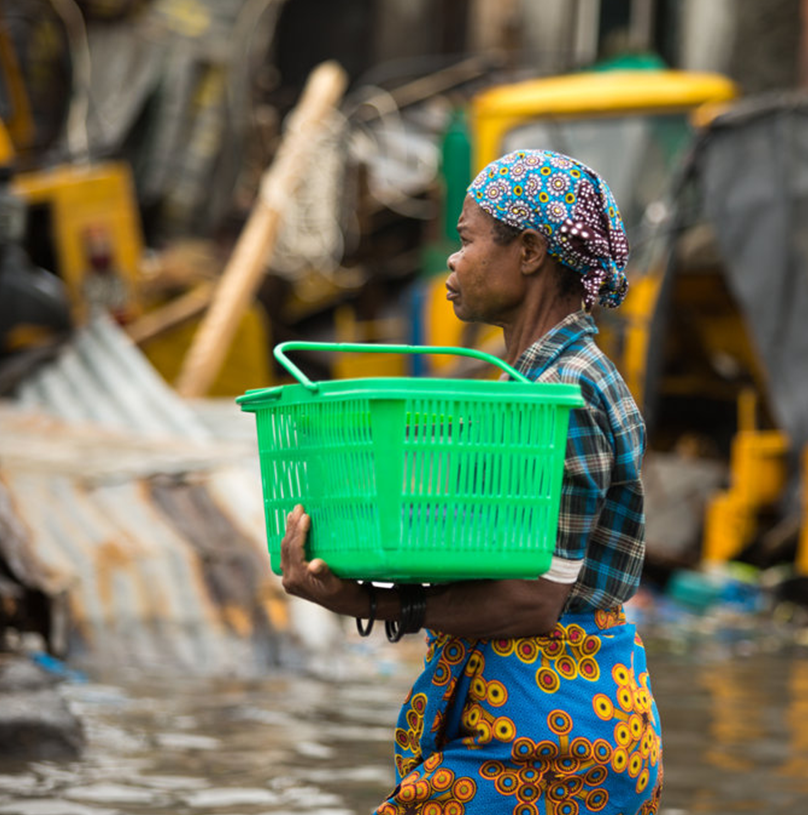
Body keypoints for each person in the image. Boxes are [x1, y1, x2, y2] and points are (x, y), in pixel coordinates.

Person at [279, 148, 663, 814]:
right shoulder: (529, 384)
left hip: (552, 740)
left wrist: (367, 605)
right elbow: (494, 558)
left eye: (467, 240)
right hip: (554, 722)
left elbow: (531, 599)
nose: (453, 261)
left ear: (531, 251)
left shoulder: (563, 394)